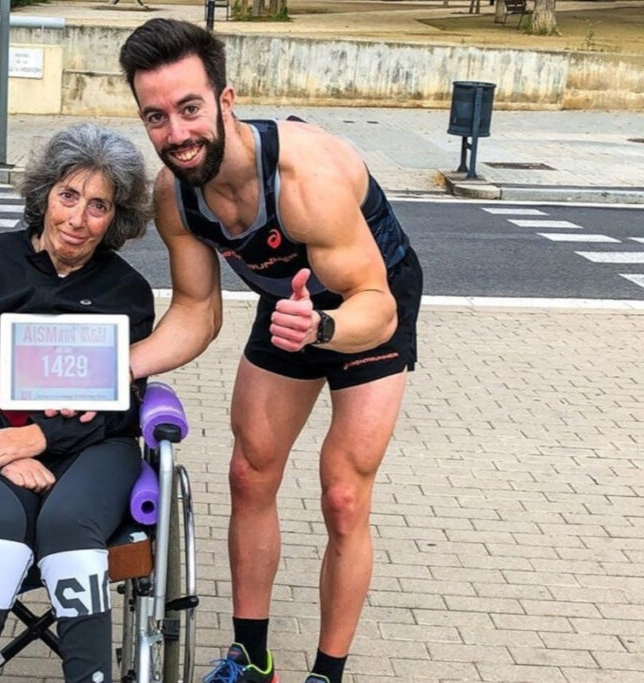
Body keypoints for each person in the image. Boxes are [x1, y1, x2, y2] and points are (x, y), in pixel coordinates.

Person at [118, 19, 423, 683]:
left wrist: (322, 330)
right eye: (156, 116)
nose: (176, 133)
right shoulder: (178, 194)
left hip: (370, 303)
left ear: (227, 101)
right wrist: (120, 367)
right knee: (249, 471)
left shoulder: (303, 175)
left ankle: (327, 673)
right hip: (291, 304)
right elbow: (197, 311)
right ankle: (253, 660)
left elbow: (378, 306)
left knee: (343, 495)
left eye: (190, 108)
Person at [0, 123, 154, 683]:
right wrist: (3, 448)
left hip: (95, 447)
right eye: (68, 196)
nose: (77, 219)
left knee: (71, 523)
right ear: (45, 195)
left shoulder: (126, 291)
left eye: (98, 205)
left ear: (116, 217)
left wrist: (41, 440)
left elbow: (124, 405)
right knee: (0, 526)